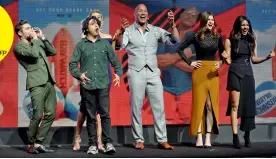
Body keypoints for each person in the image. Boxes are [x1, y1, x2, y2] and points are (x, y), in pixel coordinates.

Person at [116, 4, 180, 150]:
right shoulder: (128, 31)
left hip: (153, 73)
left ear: (148, 15)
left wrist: (173, 25)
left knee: (159, 106)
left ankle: (162, 139)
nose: (143, 13)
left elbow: (174, 41)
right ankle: (139, 139)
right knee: (136, 107)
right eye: (140, 11)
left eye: (145, 11)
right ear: (135, 14)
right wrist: (121, 32)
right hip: (136, 72)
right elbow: (119, 46)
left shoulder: (156, 30)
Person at [73, 10, 128, 152]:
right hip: (88, 85)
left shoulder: (104, 44)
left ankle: (108, 143)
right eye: (92, 24)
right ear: (87, 28)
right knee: (90, 116)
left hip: (103, 83)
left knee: (105, 114)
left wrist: (118, 74)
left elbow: (115, 61)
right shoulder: (81, 45)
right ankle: (92, 144)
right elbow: (72, 65)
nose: (96, 26)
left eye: (97, 23)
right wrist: (79, 75)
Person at [222, 15, 275, 149]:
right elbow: (228, 61)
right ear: (238, 26)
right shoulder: (229, 41)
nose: (245, 27)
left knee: (248, 106)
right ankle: (235, 137)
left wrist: (267, 57)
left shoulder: (252, 41)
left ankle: (247, 135)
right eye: (243, 25)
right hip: (234, 72)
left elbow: (254, 59)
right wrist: (224, 58)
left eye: (247, 25)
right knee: (235, 105)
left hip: (248, 74)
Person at [176, 12, 224, 148]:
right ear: (203, 21)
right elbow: (180, 49)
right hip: (199, 72)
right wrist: (190, 62)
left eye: (212, 19)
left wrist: (220, 63)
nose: (211, 22)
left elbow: (223, 56)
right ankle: (199, 136)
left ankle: (208, 136)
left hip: (212, 73)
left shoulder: (217, 37)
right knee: (199, 105)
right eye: (208, 19)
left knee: (210, 105)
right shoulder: (195, 36)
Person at [14, 20, 57, 154]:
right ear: (20, 33)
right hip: (36, 82)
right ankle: (31, 144)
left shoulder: (37, 42)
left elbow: (53, 51)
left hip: (48, 80)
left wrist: (43, 38)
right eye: (27, 28)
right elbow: (33, 54)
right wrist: (36, 39)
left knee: (51, 113)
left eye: (31, 27)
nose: (31, 30)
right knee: (37, 115)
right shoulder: (19, 47)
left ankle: (39, 143)